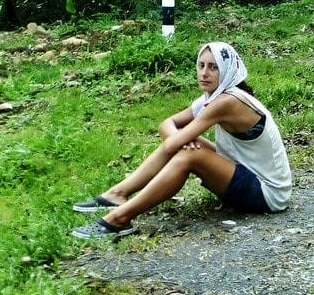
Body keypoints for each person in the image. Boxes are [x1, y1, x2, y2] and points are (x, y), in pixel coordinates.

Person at [71, 42, 292, 239]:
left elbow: (171, 142)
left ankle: (120, 218)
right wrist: (180, 140)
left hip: (268, 195)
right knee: (187, 144)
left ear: (227, 71)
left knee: (189, 151)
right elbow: (167, 123)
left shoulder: (227, 101)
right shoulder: (213, 97)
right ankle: (117, 194)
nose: (204, 73)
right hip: (243, 173)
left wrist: (179, 142)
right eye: (201, 65)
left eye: (213, 67)